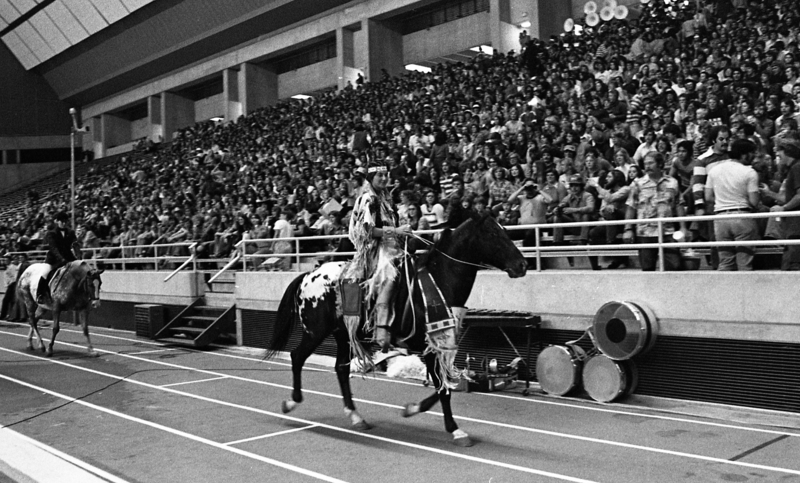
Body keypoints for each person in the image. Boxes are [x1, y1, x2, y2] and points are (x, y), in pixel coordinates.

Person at [344, 164, 412, 350]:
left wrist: (403, 233)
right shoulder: (369, 199)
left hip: (393, 248)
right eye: (379, 175)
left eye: (385, 175)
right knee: (390, 278)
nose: (383, 178)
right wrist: (396, 230)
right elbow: (367, 230)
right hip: (376, 251)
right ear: (370, 179)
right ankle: (381, 331)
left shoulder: (386, 199)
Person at [623, 152, 689, 271]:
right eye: (645, 163)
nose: (647, 166)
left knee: (675, 266)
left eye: (650, 163)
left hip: (667, 231)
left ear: (660, 164)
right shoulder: (637, 184)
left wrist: (683, 227)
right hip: (645, 232)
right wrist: (628, 229)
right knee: (647, 269)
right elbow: (631, 207)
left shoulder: (672, 182)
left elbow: (679, 204)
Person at [704, 139, 761, 271]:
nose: (753, 157)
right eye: (752, 153)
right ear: (744, 154)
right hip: (742, 216)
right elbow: (754, 202)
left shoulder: (714, 170)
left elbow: (708, 197)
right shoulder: (749, 172)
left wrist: (723, 201)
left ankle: (724, 291)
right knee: (744, 263)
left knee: (725, 263)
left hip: (720, 218)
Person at [37, 212, 81, 304]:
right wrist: (61, 259)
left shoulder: (71, 232)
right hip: (53, 259)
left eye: (65, 221)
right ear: (57, 221)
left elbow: (75, 244)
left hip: (68, 257)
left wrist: (78, 256)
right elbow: (54, 248)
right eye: (62, 221)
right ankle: (40, 294)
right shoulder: (51, 233)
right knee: (45, 273)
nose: (64, 223)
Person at [770, 137, 800, 270]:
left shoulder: (797, 168)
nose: (777, 156)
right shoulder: (794, 169)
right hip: (793, 226)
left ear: (787, 152)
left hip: (796, 227)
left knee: (792, 266)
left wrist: (784, 208)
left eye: (779, 152)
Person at [507, 178, 552, 247]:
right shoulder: (521, 198)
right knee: (507, 233)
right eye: (528, 187)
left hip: (537, 227)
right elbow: (510, 200)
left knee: (530, 234)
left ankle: (530, 256)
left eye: (531, 187)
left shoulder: (540, 197)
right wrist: (522, 188)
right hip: (523, 227)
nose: (529, 189)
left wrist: (539, 190)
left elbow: (550, 200)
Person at [1, 254, 19, 320]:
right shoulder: (7, 267)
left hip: (12, 285)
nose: (5, 261)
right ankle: (8, 315)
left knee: (7, 300)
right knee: (9, 301)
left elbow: (15, 277)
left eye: (6, 260)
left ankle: (4, 315)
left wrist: (11, 283)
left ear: (10, 260)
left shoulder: (13, 267)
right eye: (4, 260)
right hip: (9, 285)